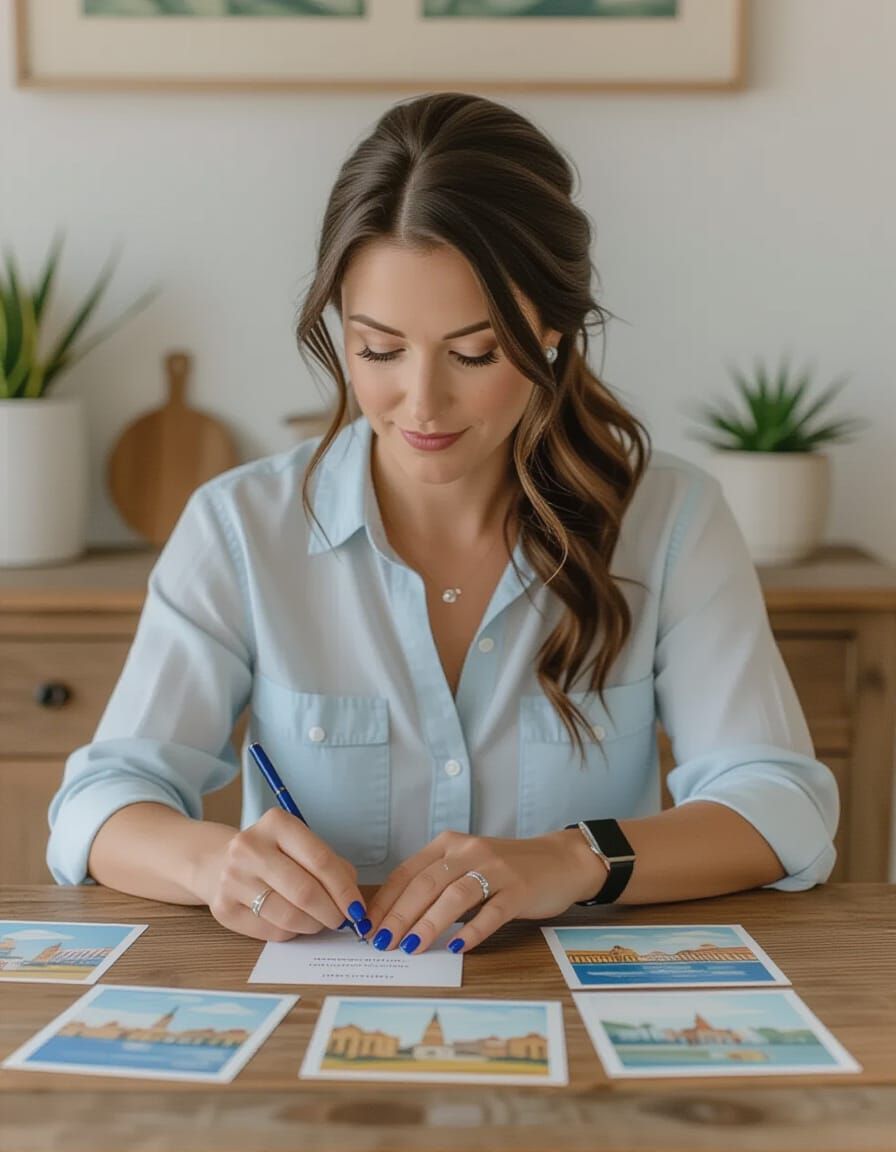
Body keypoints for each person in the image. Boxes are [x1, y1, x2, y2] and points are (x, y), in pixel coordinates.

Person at [47, 92, 838, 957]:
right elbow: (98, 803)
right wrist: (213, 864)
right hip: (323, 1006)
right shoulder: (242, 527)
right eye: (379, 349)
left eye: (475, 352)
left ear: (552, 330)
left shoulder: (671, 520)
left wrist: (572, 860)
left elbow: (783, 805)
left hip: (580, 1005)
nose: (421, 402)